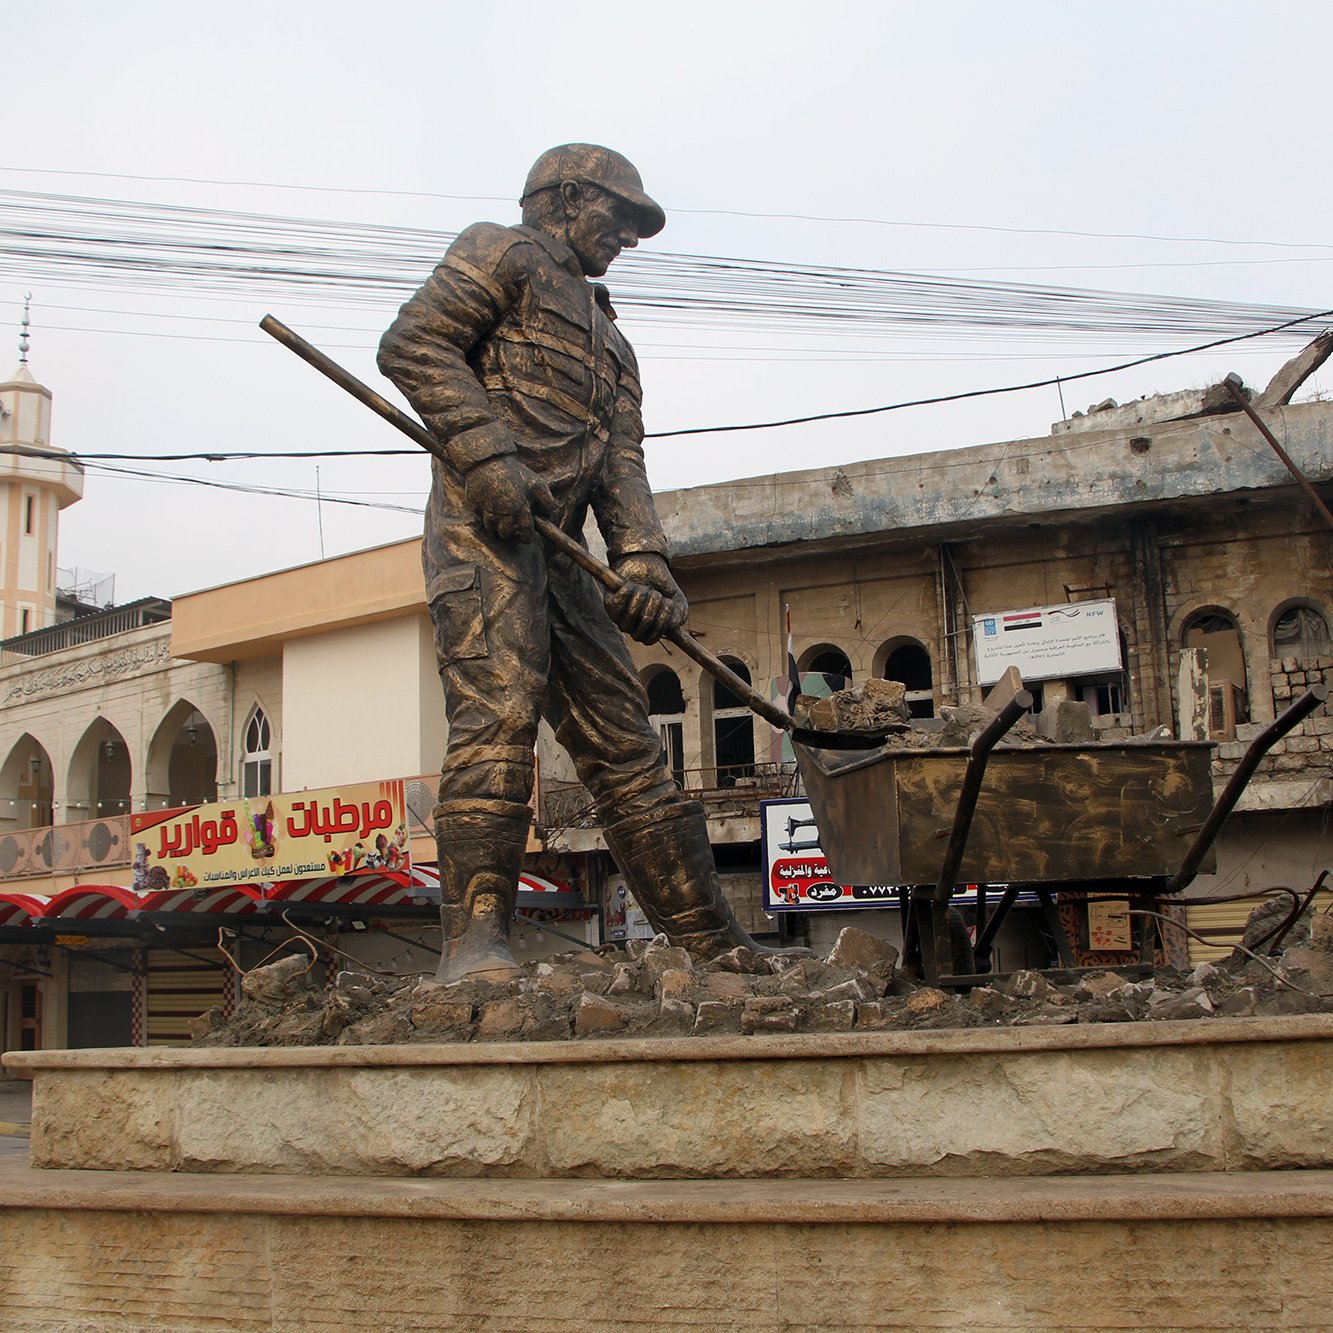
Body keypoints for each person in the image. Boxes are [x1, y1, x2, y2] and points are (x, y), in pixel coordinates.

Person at [379, 144, 774, 983]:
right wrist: (486, 458)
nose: (628, 236)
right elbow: (415, 344)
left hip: (566, 559)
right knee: (499, 718)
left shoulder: (615, 343)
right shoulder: (502, 251)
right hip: (485, 537)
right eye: (618, 216)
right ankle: (475, 944)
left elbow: (619, 460)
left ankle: (708, 940)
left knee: (627, 744)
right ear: (564, 199)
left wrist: (642, 559)